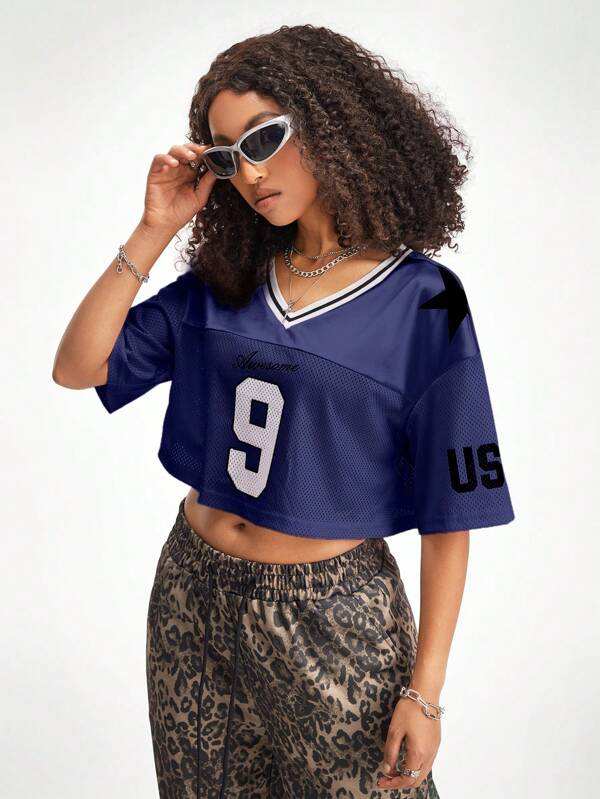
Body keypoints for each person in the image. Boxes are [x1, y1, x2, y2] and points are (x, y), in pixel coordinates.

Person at [53, 24, 515, 799]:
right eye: (227, 156)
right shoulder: (228, 280)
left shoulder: (422, 301)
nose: (251, 172)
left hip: (332, 616)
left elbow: (450, 513)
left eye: (265, 138)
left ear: (328, 120)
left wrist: (426, 689)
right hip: (193, 594)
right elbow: (78, 367)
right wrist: (156, 227)